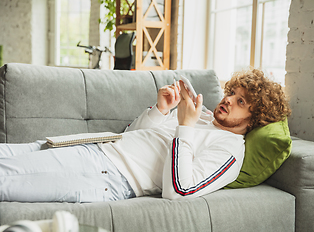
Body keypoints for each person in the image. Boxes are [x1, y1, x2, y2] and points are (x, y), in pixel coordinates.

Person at [0, 68, 290, 203]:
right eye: (231, 93)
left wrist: (185, 127)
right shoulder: (200, 114)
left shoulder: (231, 151)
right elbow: (133, 137)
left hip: (105, 174)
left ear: (256, 119)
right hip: (94, 147)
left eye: (241, 102)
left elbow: (180, 190)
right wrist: (161, 111)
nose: (227, 100)